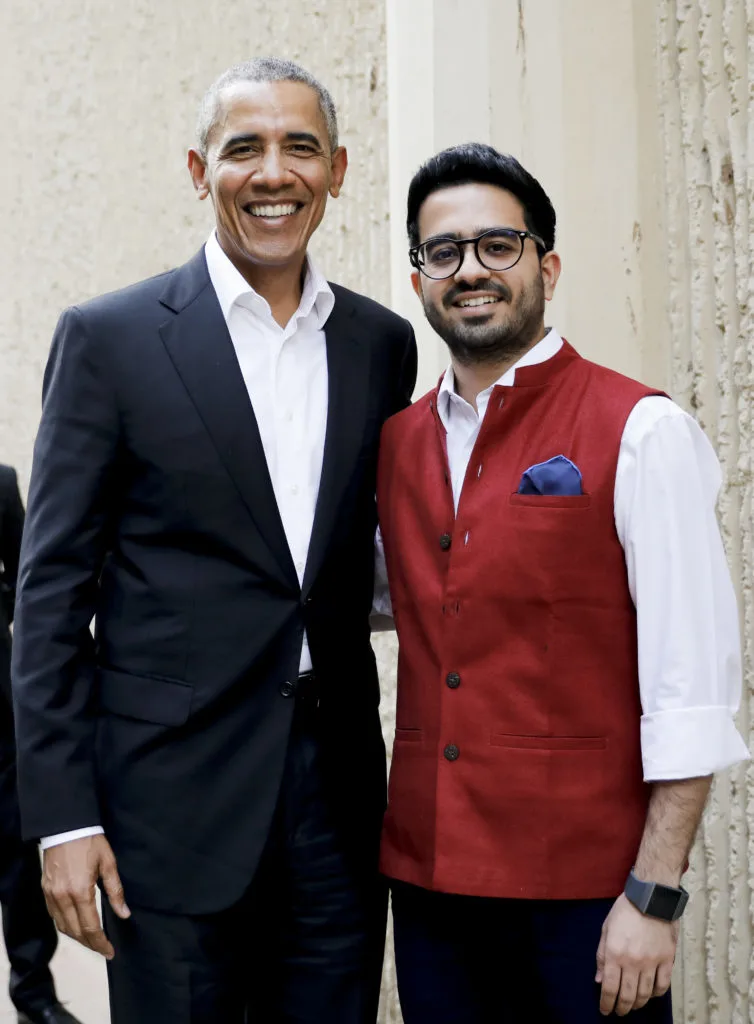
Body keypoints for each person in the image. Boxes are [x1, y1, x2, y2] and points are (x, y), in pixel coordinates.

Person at [12, 58, 416, 1024]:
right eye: (245, 149)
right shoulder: (109, 340)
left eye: (299, 148)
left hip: (338, 804)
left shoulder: (379, 343)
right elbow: (52, 595)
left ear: (338, 169)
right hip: (167, 809)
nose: (273, 173)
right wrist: (63, 818)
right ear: (201, 170)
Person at [374, 144, 748, 1023]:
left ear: (546, 265)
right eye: (444, 251)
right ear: (422, 277)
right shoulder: (395, 443)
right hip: (429, 889)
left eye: (497, 246)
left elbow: (690, 682)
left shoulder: (641, 428)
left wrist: (653, 898)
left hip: (585, 897)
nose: (471, 270)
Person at [1, 464, 82, 1024]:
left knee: (15, 855)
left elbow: (30, 580)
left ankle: (34, 994)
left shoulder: (1, 485)